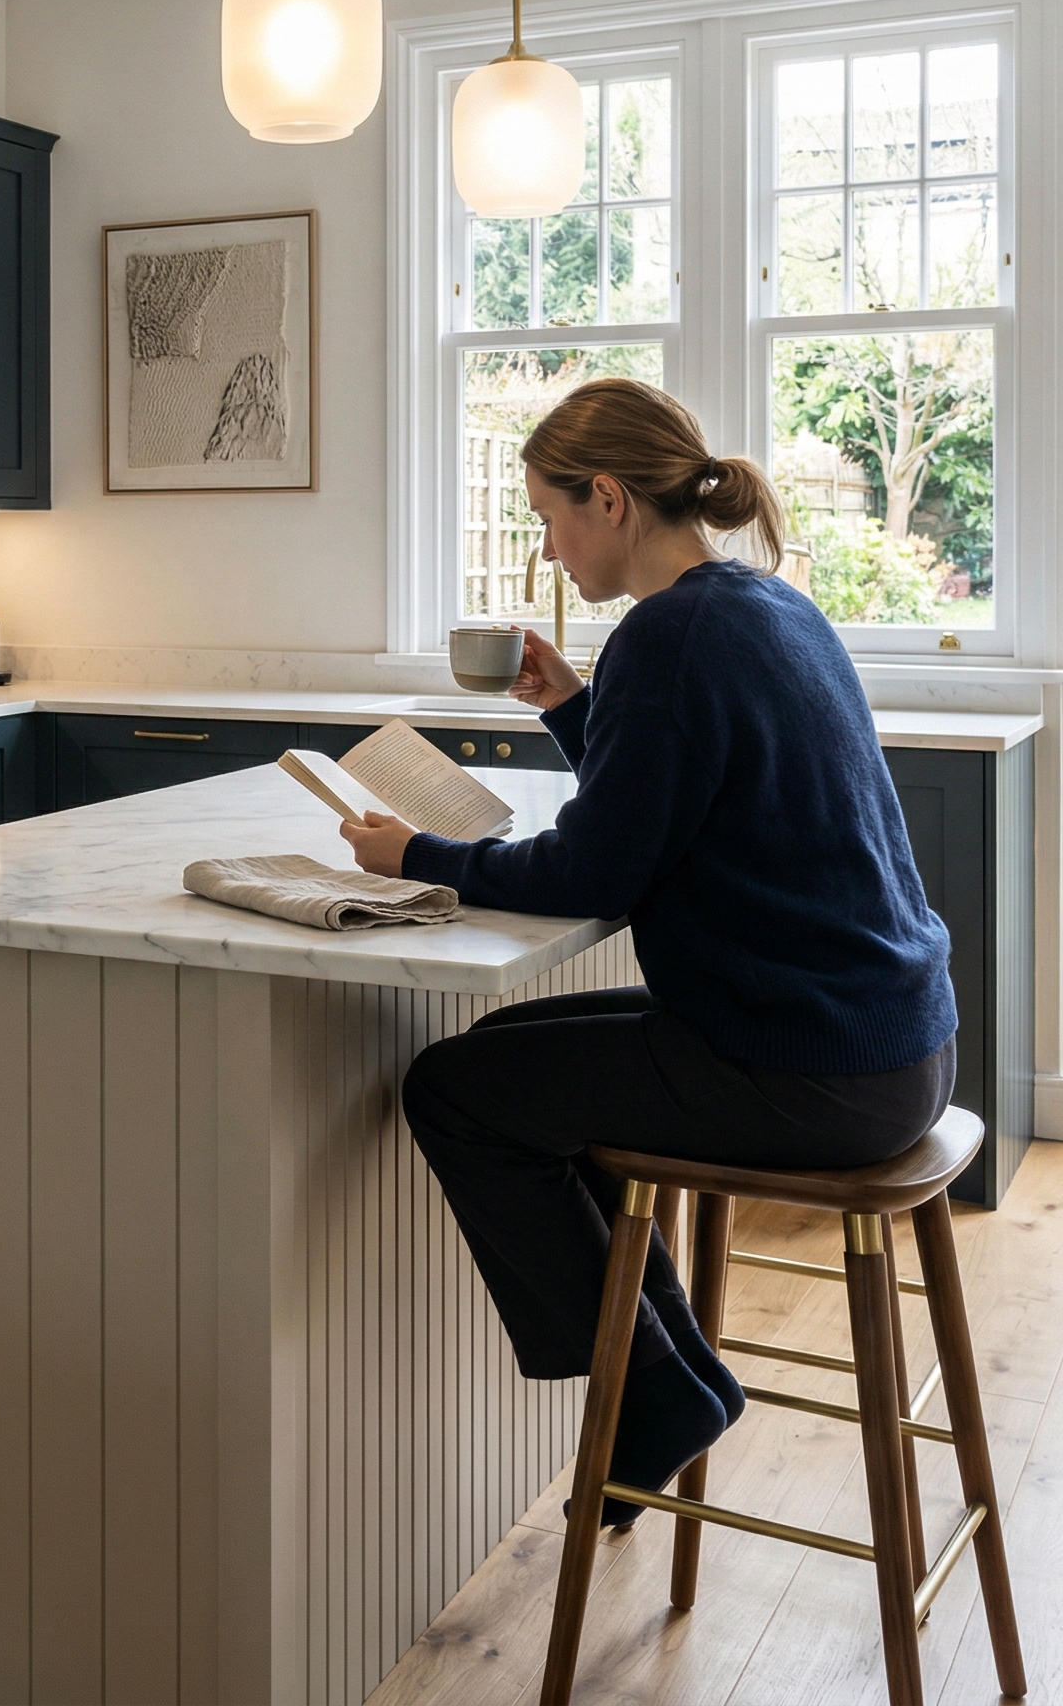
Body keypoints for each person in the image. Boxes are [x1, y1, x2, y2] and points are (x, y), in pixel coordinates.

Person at [341, 380, 957, 1523]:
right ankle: (669, 1378)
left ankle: (658, 1394)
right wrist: (578, 705)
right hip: (882, 1037)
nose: (545, 544)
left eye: (548, 515)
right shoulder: (767, 606)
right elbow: (672, 796)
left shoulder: (666, 636)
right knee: (507, 1060)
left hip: (805, 1068)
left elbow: (593, 872)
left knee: (456, 1089)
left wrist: (415, 853)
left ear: (609, 498)